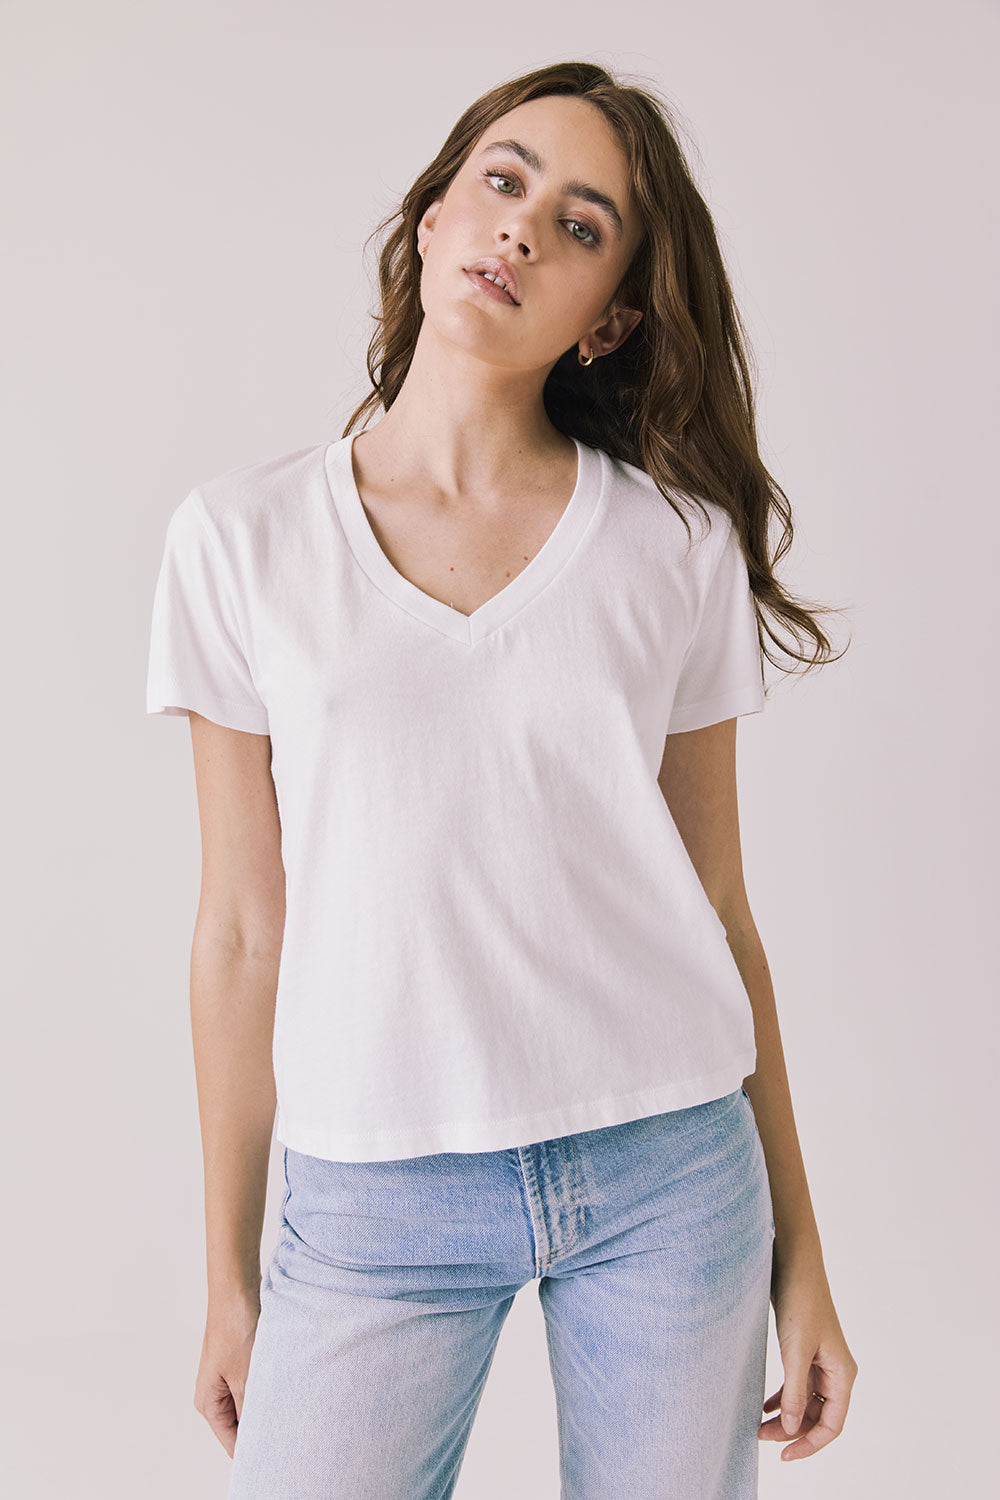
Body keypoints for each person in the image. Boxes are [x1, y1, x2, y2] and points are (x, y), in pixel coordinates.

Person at [145, 59, 858, 1499]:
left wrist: (807, 1259)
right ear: (433, 217)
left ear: (613, 323)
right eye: (504, 178)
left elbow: (719, 907)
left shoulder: (673, 545)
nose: (525, 228)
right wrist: (226, 1272)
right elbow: (237, 929)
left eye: (584, 227)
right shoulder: (242, 540)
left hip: (668, 1174)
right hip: (370, 1199)